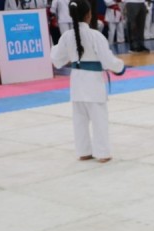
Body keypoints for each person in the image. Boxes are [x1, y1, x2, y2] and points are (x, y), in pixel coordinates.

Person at [51, 0, 126, 163]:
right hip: (93, 82)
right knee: (99, 119)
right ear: (89, 15)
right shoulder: (95, 35)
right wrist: (120, 67)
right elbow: (108, 60)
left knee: (79, 119)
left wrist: (58, 51)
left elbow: (56, 60)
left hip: (77, 81)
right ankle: (102, 152)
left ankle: (83, 151)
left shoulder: (66, 36)